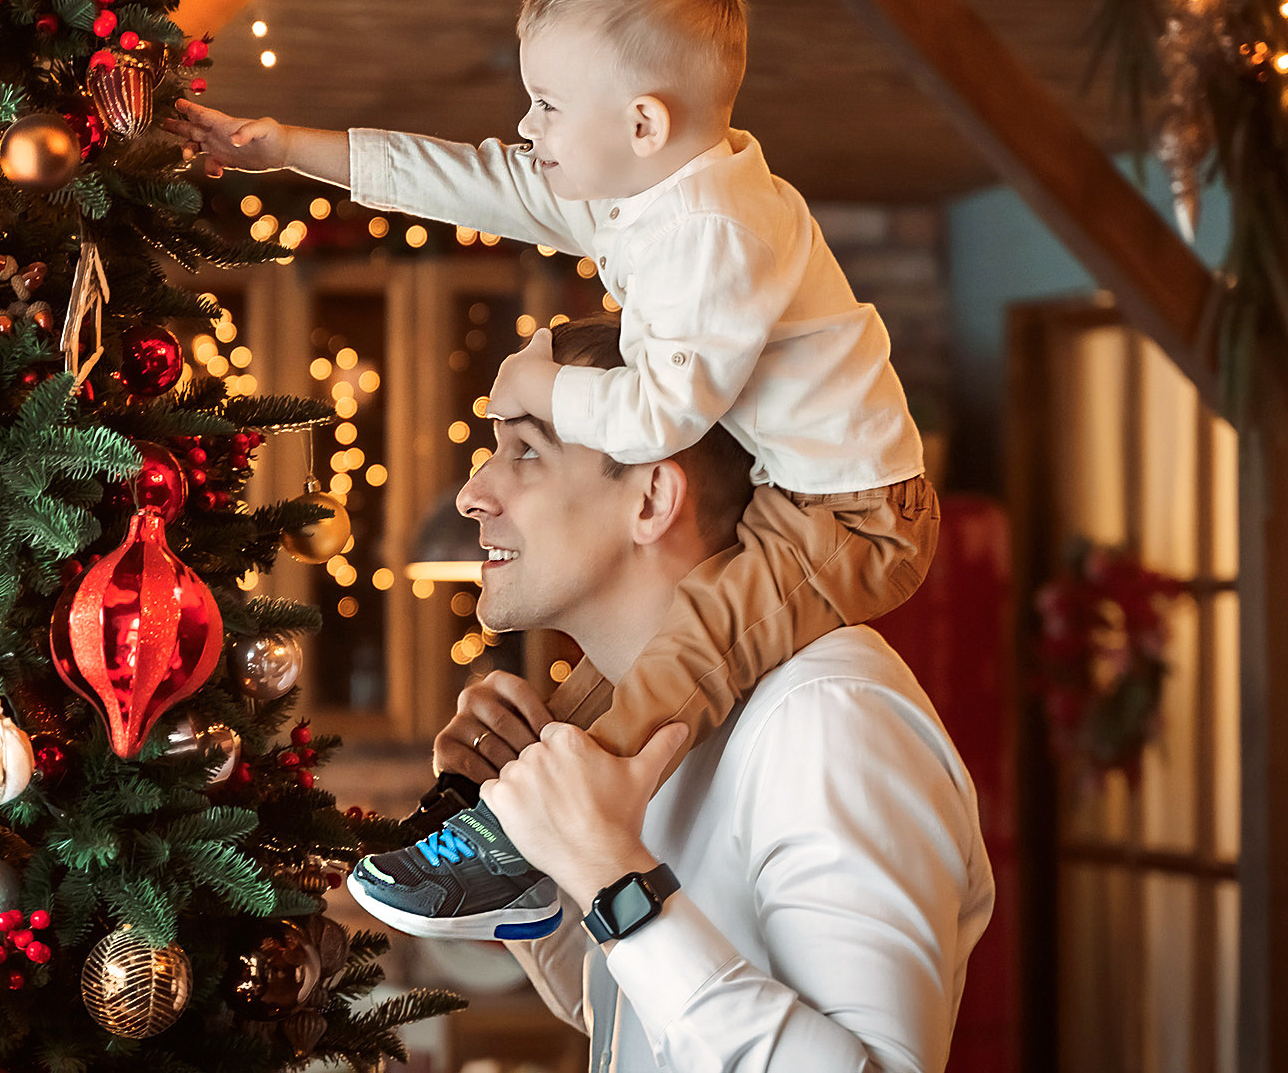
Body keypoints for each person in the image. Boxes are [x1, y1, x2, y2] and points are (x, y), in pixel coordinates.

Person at [165, 0, 936, 939]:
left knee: (693, 648)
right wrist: (290, 148)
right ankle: (521, 844)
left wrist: (541, 388)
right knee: (615, 678)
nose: (525, 127)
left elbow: (662, 414)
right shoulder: (651, 193)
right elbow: (474, 182)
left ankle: (528, 841)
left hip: (853, 513)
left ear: (642, 122)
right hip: (794, 489)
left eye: (546, 104)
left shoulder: (711, 231)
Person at [406, 316, 993, 1070]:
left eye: (527, 451)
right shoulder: (633, 729)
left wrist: (614, 880)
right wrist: (527, 833)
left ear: (652, 498)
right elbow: (633, 1022)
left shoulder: (826, 715)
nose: (471, 495)